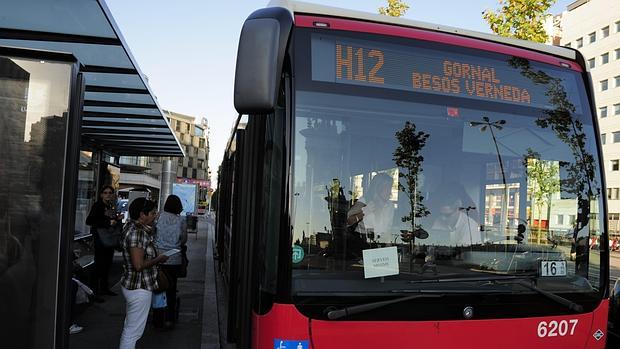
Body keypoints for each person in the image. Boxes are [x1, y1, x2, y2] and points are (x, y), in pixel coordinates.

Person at [118, 198, 168, 349]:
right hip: (139, 287)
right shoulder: (138, 233)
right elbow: (138, 265)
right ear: (142, 214)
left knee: (130, 328)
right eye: (152, 213)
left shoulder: (132, 228)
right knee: (133, 332)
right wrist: (158, 259)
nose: (155, 215)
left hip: (133, 285)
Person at [154, 195, 188, 329]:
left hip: (158, 257)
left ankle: (157, 319)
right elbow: (184, 239)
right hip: (174, 258)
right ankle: (169, 319)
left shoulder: (158, 217)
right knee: (171, 289)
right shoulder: (181, 220)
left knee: (158, 288)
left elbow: (153, 234)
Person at [86, 185, 122, 298]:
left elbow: (109, 221)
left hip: (108, 239)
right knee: (100, 265)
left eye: (110, 193)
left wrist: (116, 219)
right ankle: (95, 291)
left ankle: (104, 288)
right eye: (105, 193)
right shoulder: (98, 206)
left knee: (107, 264)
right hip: (101, 240)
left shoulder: (110, 206)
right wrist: (108, 223)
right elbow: (90, 220)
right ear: (101, 194)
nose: (108, 195)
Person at [347, 173, 395, 243]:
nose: (389, 191)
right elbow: (348, 221)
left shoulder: (390, 205)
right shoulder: (364, 201)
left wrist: (389, 244)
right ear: (378, 187)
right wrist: (364, 212)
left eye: (390, 187)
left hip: (381, 243)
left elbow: (388, 229)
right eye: (386, 187)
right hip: (362, 242)